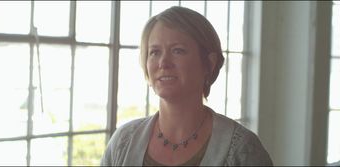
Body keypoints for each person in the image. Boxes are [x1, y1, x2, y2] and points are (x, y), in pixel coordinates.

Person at [101, 6, 273, 166]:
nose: (163, 63)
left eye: (178, 50)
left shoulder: (243, 150)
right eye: (154, 52)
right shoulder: (122, 142)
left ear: (209, 64)